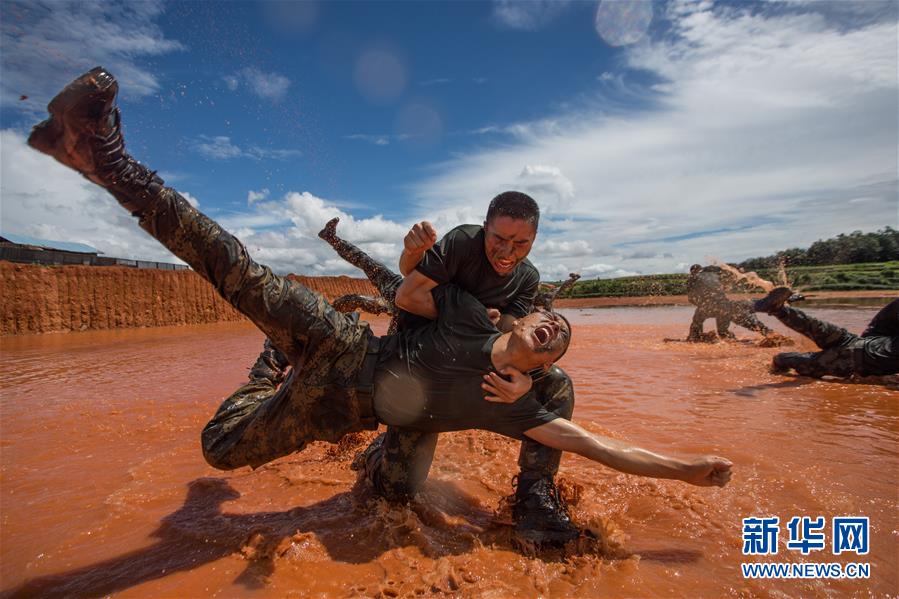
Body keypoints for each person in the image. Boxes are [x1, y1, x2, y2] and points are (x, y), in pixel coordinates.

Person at [29, 68, 733, 524]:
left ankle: (269, 373)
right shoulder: (464, 293)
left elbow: (603, 445)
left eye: (553, 333)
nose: (546, 320)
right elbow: (406, 293)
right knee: (236, 269)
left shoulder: (518, 397)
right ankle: (103, 152)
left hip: (351, 403)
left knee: (223, 451)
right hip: (350, 349)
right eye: (549, 320)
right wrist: (406, 263)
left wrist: (691, 469)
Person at [384, 194, 583, 545]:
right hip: (425, 363)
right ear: (484, 229)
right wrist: (469, 318)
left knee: (556, 385)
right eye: (498, 239)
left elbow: (510, 328)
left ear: (534, 239)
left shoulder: (527, 277)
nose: (507, 253)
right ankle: (375, 456)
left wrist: (524, 379)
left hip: (478, 361)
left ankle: (534, 495)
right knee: (394, 491)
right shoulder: (462, 242)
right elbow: (408, 293)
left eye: (521, 243)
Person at [754, 289, 899, 378]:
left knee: (814, 326)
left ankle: (777, 309)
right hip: (848, 359)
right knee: (783, 360)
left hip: (853, 341)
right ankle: (776, 311)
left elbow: (890, 314)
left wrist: (871, 335)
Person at [686, 264, 774, 341]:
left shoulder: (691, 278)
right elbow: (726, 283)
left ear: (692, 272)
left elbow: (691, 299)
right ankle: (770, 334)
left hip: (706, 306)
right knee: (741, 320)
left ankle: (696, 336)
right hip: (724, 305)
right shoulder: (713, 273)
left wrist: (702, 306)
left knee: (696, 323)